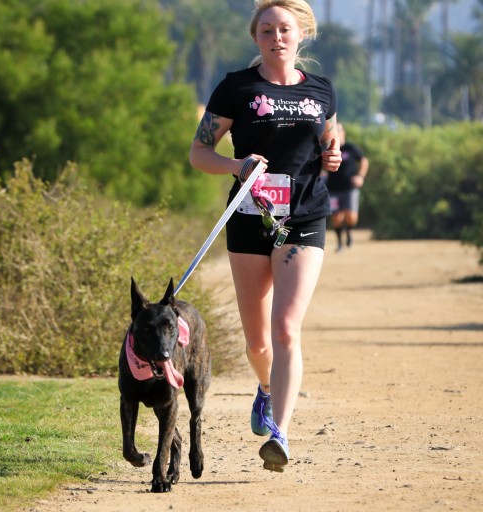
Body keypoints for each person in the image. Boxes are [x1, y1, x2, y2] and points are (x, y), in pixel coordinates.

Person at [189, 0, 341, 472]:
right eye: (267, 30)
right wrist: (238, 166)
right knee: (258, 344)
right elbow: (199, 152)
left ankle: (280, 432)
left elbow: (330, 140)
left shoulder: (321, 90)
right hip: (250, 216)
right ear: (256, 37)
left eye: (285, 29)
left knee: (286, 329)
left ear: (302, 35)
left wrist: (333, 157)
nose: (277, 37)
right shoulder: (237, 87)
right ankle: (266, 387)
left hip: (305, 217)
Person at [325, 122, 369, 251]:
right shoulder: (328, 148)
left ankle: (349, 231)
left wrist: (360, 176)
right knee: (337, 218)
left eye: (338, 130)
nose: (336, 132)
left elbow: (364, 160)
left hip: (350, 188)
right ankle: (339, 243)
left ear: (343, 132)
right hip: (333, 188)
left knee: (351, 217)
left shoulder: (350, 147)